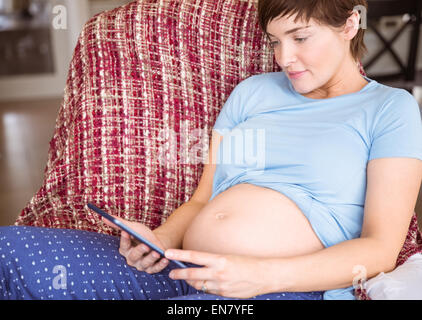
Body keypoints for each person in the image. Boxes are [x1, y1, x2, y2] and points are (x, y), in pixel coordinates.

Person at [1, 0, 421, 300]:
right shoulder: (253, 93)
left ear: (350, 24)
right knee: (7, 252)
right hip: (183, 269)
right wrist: (159, 240)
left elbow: (381, 247)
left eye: (300, 37)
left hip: (280, 287)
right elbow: (203, 199)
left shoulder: (389, 108)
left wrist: (259, 277)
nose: (284, 58)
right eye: (275, 41)